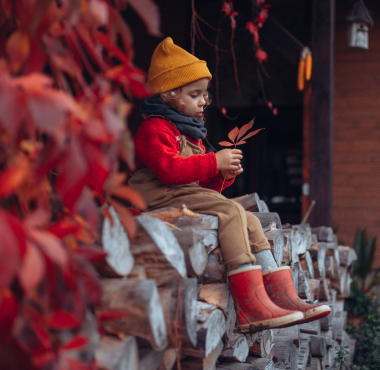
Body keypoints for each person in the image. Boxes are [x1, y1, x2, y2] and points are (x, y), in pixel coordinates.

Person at [129, 37, 330, 333]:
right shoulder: (154, 128)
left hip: (181, 193)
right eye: (194, 94)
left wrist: (221, 174)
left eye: (204, 95)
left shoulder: (191, 132)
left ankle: (281, 295)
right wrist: (213, 162)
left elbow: (202, 190)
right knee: (231, 211)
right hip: (156, 195)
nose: (202, 101)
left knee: (247, 218)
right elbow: (169, 170)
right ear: (170, 95)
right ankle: (250, 304)